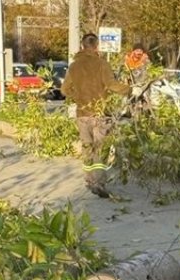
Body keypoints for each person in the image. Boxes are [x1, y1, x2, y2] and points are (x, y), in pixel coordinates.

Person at [62, 33, 131, 198]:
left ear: (82, 46)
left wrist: (78, 97)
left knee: (87, 148)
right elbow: (111, 85)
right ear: (97, 46)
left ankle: (89, 180)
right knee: (100, 150)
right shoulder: (102, 64)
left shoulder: (74, 67)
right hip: (101, 113)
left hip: (82, 113)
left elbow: (64, 90)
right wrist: (128, 89)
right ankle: (99, 183)